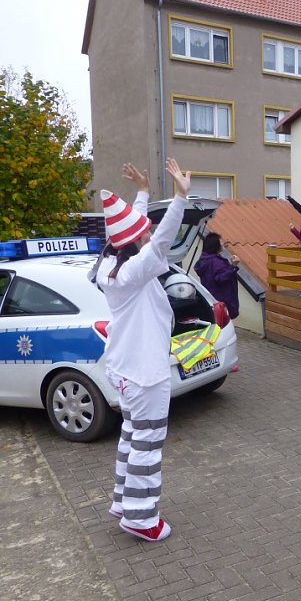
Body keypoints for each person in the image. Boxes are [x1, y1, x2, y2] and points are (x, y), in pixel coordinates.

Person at [97, 157, 190, 542]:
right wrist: (179, 198)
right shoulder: (135, 272)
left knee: (132, 436)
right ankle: (140, 518)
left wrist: (143, 192)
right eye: (144, 232)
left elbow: (129, 233)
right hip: (145, 374)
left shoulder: (111, 268)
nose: (149, 233)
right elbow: (160, 241)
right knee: (147, 445)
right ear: (135, 243)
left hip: (124, 371)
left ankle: (124, 500)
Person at [194, 232, 240, 319]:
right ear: (215, 245)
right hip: (222, 301)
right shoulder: (215, 262)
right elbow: (221, 278)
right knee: (222, 325)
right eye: (220, 242)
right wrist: (233, 266)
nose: (223, 243)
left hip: (212, 299)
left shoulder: (205, 259)